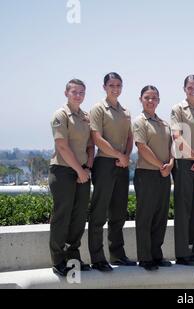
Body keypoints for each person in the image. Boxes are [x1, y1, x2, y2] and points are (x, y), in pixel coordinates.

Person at [88, 72, 135, 271]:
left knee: (118, 213)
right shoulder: (98, 109)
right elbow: (97, 139)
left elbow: (130, 137)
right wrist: (118, 154)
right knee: (99, 213)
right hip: (105, 164)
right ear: (104, 86)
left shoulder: (125, 111)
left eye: (118, 85)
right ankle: (98, 258)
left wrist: (126, 156)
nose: (115, 88)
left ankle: (117, 254)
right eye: (111, 85)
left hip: (122, 165)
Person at [49, 79, 94, 276]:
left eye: (81, 92)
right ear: (66, 93)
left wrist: (88, 168)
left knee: (79, 217)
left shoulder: (85, 116)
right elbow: (62, 146)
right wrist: (79, 171)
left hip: (83, 172)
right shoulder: (61, 115)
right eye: (74, 92)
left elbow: (90, 145)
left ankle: (73, 258)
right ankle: (58, 260)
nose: (78, 95)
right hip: (64, 171)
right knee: (62, 216)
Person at [133, 85, 174, 271]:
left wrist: (171, 164)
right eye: (147, 97)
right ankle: (145, 257)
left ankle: (157, 254)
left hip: (164, 174)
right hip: (147, 174)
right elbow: (142, 147)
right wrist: (161, 166)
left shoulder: (164, 124)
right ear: (140, 99)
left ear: (158, 100)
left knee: (160, 217)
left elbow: (173, 148)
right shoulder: (139, 122)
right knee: (146, 217)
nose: (151, 101)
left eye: (154, 98)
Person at [171, 75, 194, 266]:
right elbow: (177, 136)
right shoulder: (178, 109)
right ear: (184, 88)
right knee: (183, 209)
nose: (193, 90)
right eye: (190, 87)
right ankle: (183, 254)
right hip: (184, 163)